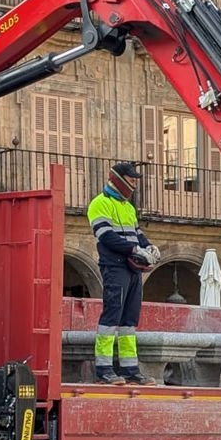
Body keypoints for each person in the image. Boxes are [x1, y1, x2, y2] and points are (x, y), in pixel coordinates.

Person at [87, 162, 159, 385]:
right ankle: (104, 369)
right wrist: (136, 250)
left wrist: (149, 246)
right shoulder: (99, 204)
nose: (135, 182)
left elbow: (136, 233)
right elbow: (106, 236)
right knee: (111, 317)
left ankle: (130, 370)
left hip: (132, 268)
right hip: (114, 267)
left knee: (129, 320)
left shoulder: (128, 207)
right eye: (132, 178)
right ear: (118, 179)